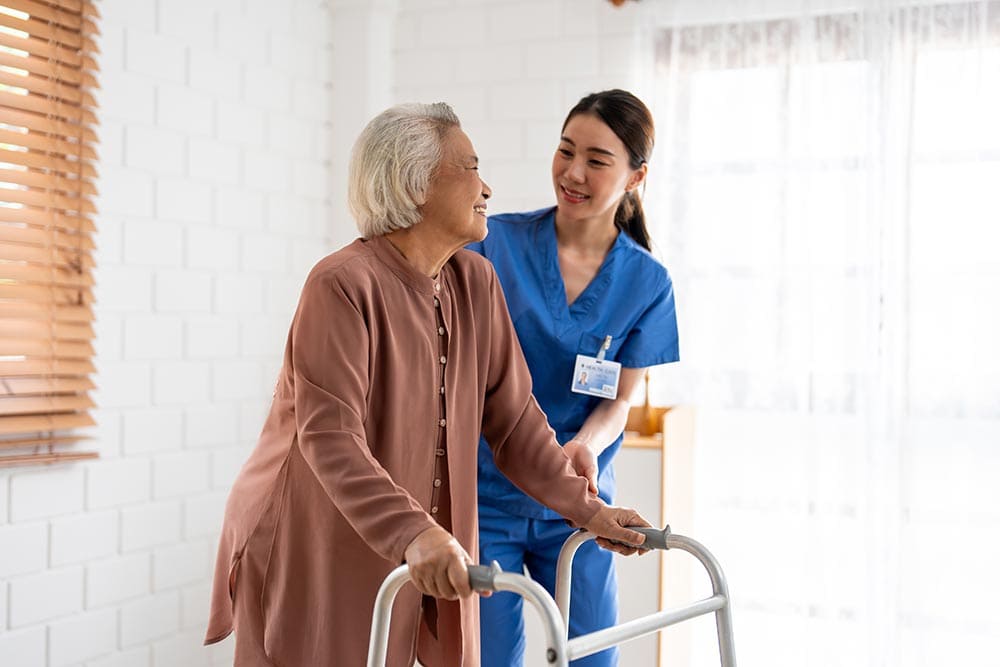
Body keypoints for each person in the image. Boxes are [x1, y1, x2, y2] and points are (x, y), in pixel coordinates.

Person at [202, 102, 653, 667]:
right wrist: (415, 531)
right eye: (469, 168)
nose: (487, 188)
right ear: (415, 186)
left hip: (414, 528)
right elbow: (331, 438)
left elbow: (514, 422)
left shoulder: (476, 280)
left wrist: (589, 510)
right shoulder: (341, 285)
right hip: (312, 524)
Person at [469, 89, 680, 667]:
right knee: (490, 657)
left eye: (597, 159)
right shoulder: (493, 246)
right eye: (566, 151)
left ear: (636, 176)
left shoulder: (648, 283)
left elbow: (618, 404)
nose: (573, 172)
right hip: (490, 502)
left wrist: (583, 446)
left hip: (582, 504)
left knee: (591, 655)